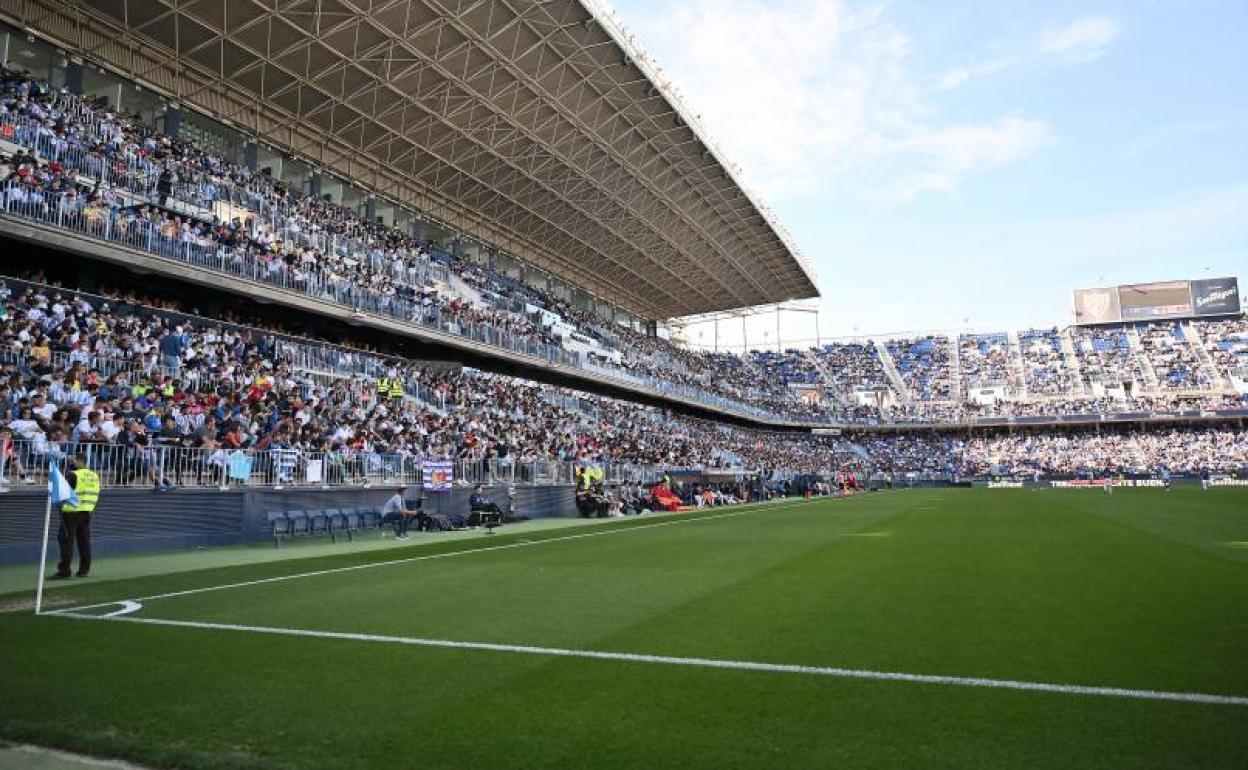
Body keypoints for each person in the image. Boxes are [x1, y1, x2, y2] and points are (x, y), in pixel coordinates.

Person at [51, 454, 100, 579]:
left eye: (74, 460)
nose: (72, 462)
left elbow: (64, 492)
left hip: (71, 512)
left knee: (66, 541)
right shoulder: (94, 475)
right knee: (84, 542)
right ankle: (84, 570)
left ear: (79, 461)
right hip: (86, 512)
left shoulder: (74, 475)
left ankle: (64, 572)